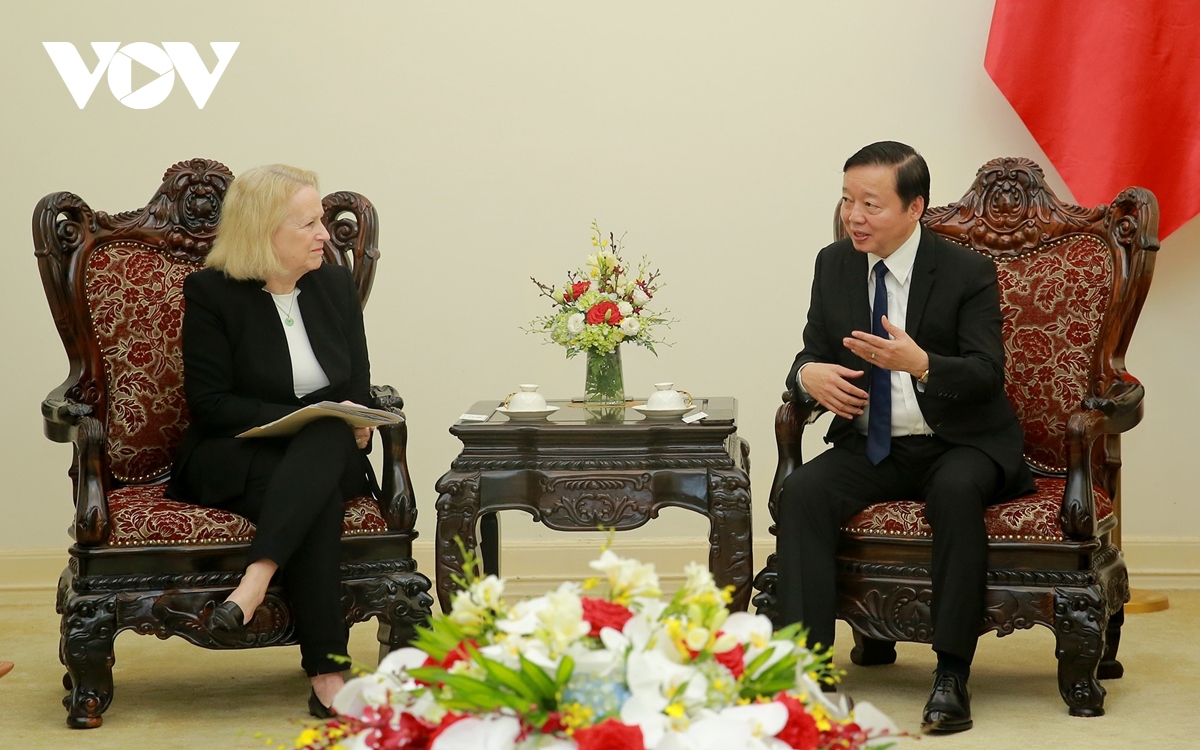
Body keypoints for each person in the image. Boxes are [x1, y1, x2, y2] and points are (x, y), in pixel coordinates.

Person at [776, 141, 1034, 733]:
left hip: (960, 443)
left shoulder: (965, 271)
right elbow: (811, 353)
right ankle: (806, 676)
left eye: (871, 204)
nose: (854, 216)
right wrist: (806, 376)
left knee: (956, 493)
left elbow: (987, 374)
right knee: (803, 493)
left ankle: (951, 673)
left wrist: (921, 364)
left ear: (914, 207)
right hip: (875, 444)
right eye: (847, 201)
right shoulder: (834, 264)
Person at [165, 164, 377, 718]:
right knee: (317, 493)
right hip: (239, 453)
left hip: (326, 449)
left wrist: (353, 417)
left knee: (327, 431)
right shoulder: (212, 292)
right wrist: (306, 416)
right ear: (263, 232)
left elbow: (357, 387)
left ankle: (254, 582)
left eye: (322, 220)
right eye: (308, 224)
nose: (324, 234)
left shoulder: (334, 285)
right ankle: (328, 672)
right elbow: (211, 404)